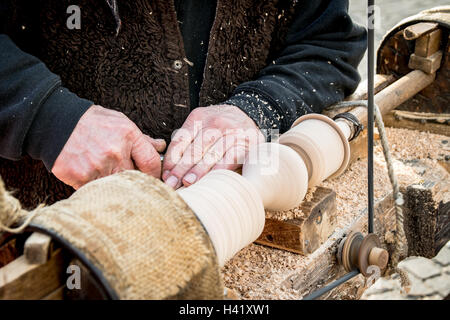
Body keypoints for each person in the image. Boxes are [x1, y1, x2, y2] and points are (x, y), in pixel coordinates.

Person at [0, 0, 366, 208]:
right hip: (41, 217)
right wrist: (47, 116)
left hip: (230, 216)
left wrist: (259, 108)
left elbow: (328, 45)